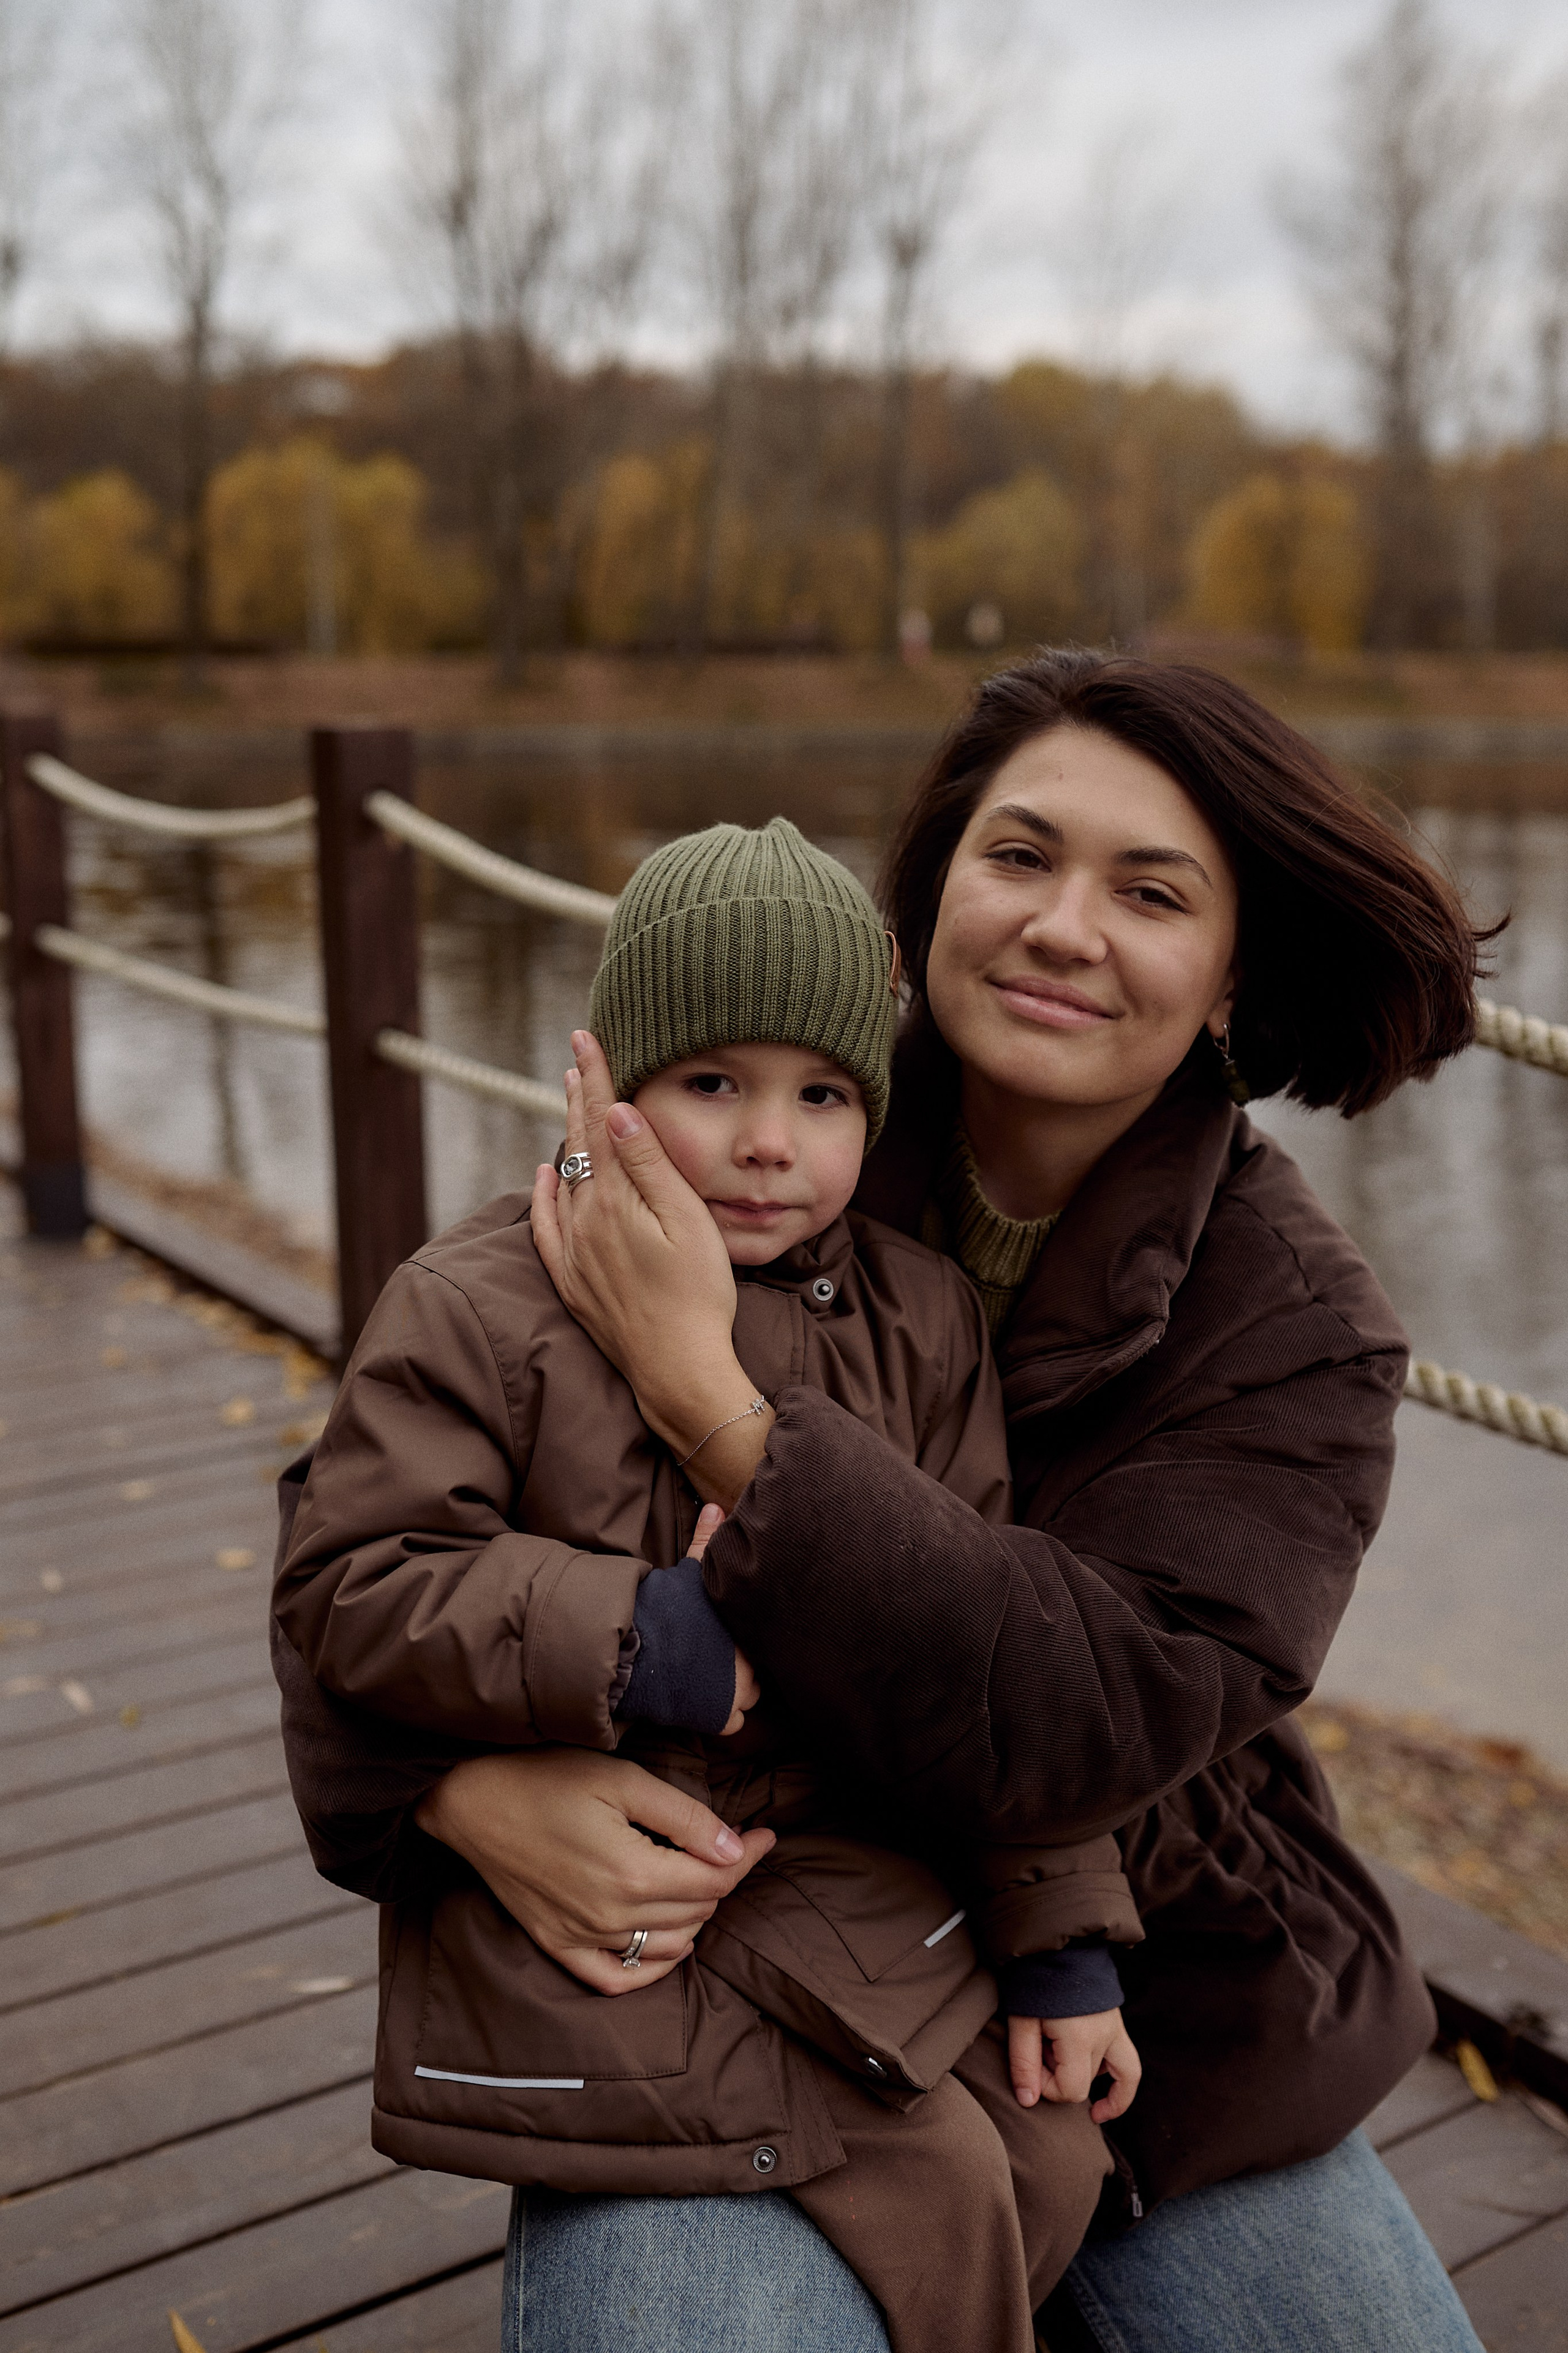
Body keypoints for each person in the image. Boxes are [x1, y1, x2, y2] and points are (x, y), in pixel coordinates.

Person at [273, 652, 1493, 2353]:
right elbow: (360, 1526)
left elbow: (1082, 1703)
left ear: (1230, 976)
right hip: (733, 1958)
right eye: (1021, 856)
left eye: (1150, 892)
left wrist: (713, 1404)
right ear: (928, 902)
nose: (1066, 925)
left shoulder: (1296, 1327)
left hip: (1152, 1967)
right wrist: (455, 1785)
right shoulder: (765, 1096)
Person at [273, 816, 1144, 2353]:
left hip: (850, 1880)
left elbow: (989, 1644)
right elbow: (351, 1584)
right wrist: (638, 1635)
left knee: (1042, 2155)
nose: (767, 1143)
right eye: (711, 1084)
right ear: (606, 1083)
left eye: (819, 1095)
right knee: (919, 2184)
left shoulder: (922, 1319)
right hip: (611, 1938)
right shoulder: (477, 1304)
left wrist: (1060, 1934)